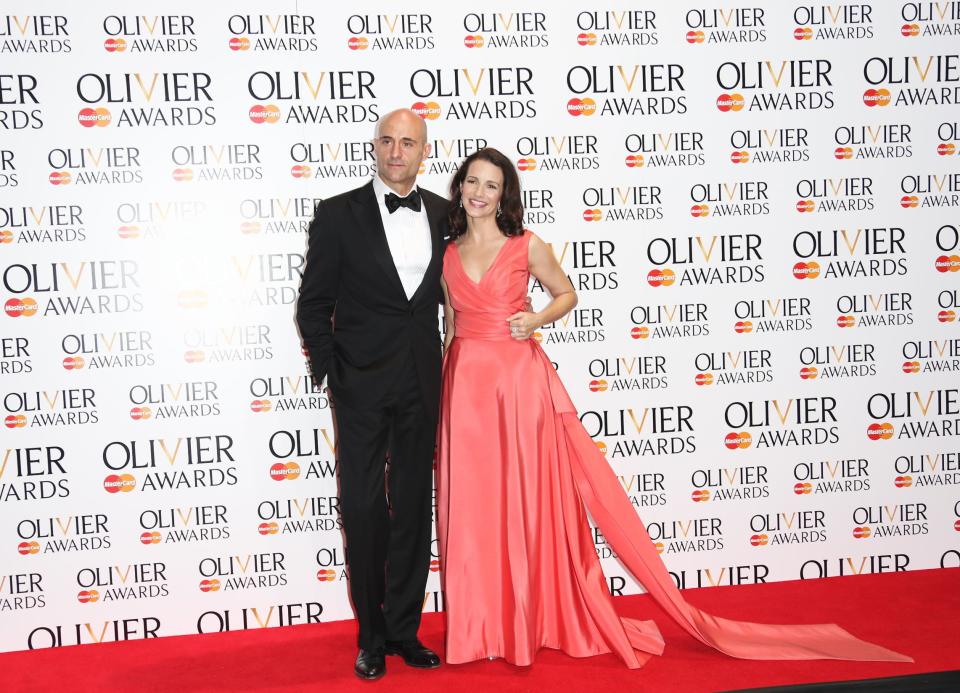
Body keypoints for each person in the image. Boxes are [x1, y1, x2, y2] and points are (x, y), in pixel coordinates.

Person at [435, 147, 911, 669]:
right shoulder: (449, 254)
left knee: (526, 502)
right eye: (473, 182)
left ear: (505, 196)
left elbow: (566, 293)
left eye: (492, 185)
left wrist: (537, 318)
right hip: (466, 391)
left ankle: (529, 618)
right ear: (459, 187)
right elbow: (453, 328)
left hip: (518, 386)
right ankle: (481, 626)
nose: (480, 193)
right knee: (475, 510)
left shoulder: (527, 246)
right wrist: (447, 384)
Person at [296, 108, 446, 681]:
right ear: (375, 147)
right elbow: (313, 303)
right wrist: (333, 371)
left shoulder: (442, 213)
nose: (396, 151)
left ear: (423, 152)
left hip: (421, 380)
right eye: (387, 140)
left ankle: (405, 630)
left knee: (412, 505)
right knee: (362, 508)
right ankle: (370, 635)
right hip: (359, 383)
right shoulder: (338, 214)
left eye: (408, 142)